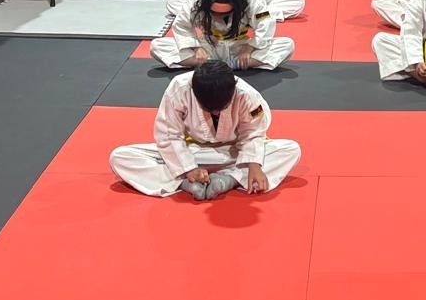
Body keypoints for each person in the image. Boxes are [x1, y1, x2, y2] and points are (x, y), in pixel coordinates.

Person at [110, 60, 301, 199]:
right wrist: (188, 169)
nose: (215, 112)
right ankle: (185, 182)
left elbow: (253, 133)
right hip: (191, 153)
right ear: (194, 91)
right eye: (208, 109)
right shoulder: (179, 89)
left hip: (234, 154)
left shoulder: (248, 96)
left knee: (290, 150)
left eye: (221, 108)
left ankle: (229, 180)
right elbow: (169, 134)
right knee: (120, 157)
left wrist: (254, 165)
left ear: (233, 90)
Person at [151, 0, 294, 71]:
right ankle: (212, 62)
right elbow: (182, 25)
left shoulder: (250, 0)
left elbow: (266, 21)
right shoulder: (196, 1)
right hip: (208, 47)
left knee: (287, 44)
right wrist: (196, 48)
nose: (219, 16)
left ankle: (227, 64)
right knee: (157, 46)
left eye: (225, 13)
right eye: (215, 13)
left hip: (239, 47)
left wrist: (250, 48)